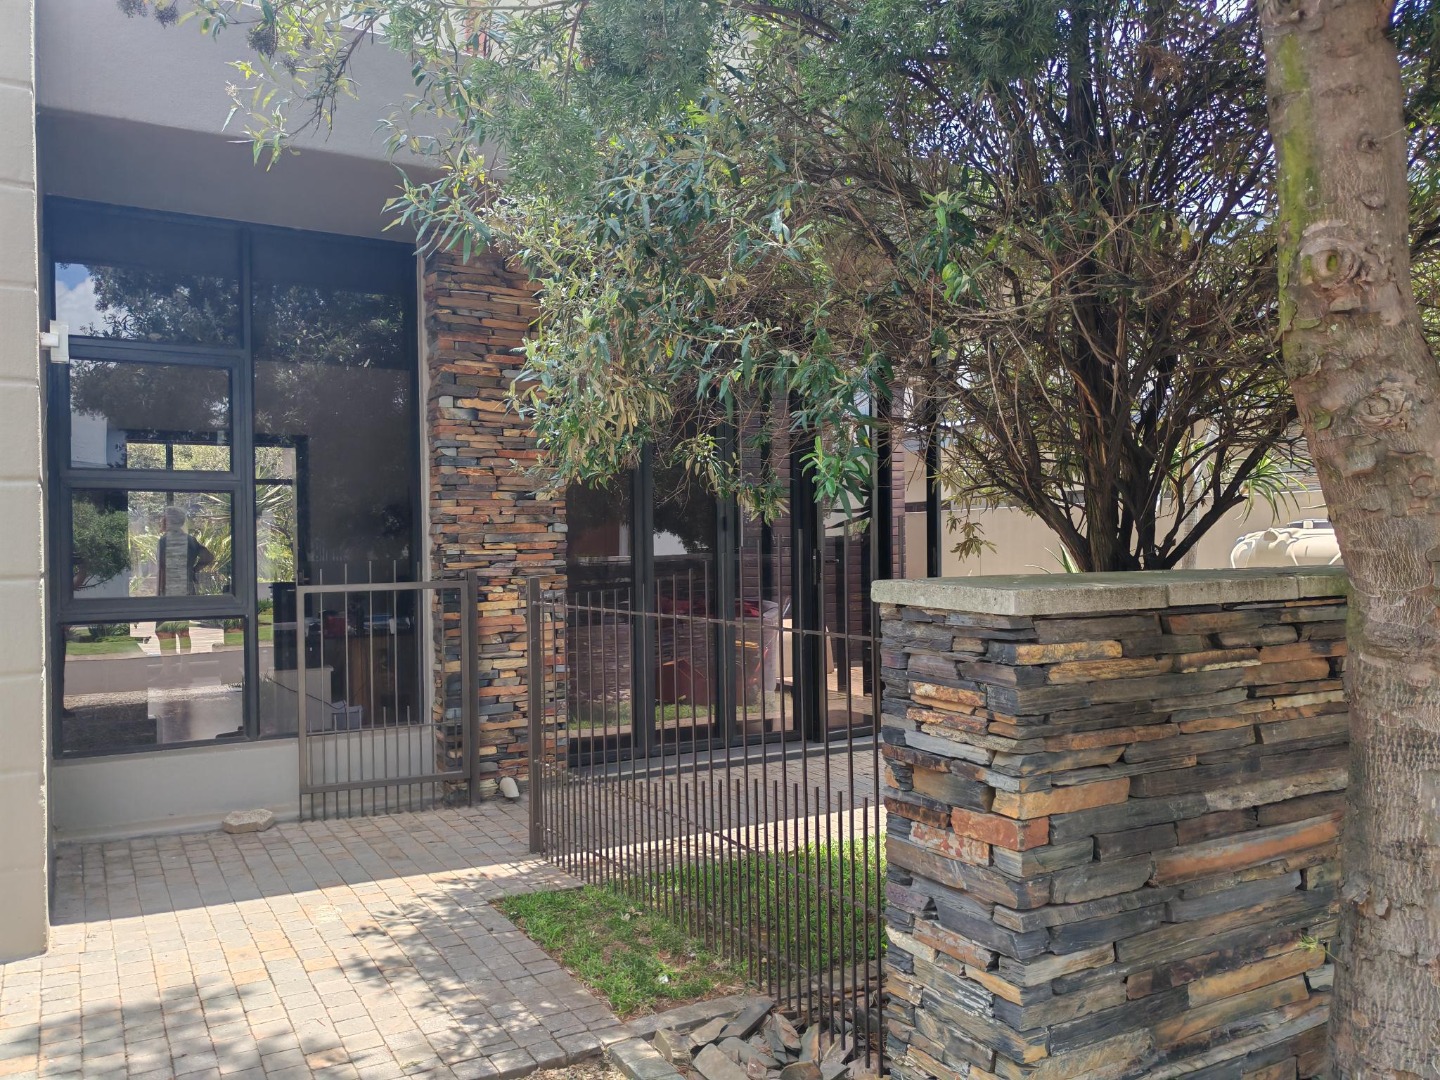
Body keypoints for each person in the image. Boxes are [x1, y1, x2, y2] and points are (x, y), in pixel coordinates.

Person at [157, 505, 216, 596]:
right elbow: (208, 557)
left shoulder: (164, 541)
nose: (161, 521)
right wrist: (193, 570)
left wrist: (160, 594)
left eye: (164, 518)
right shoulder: (190, 540)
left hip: (170, 589)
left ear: (169, 521)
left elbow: (162, 568)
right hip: (188, 588)